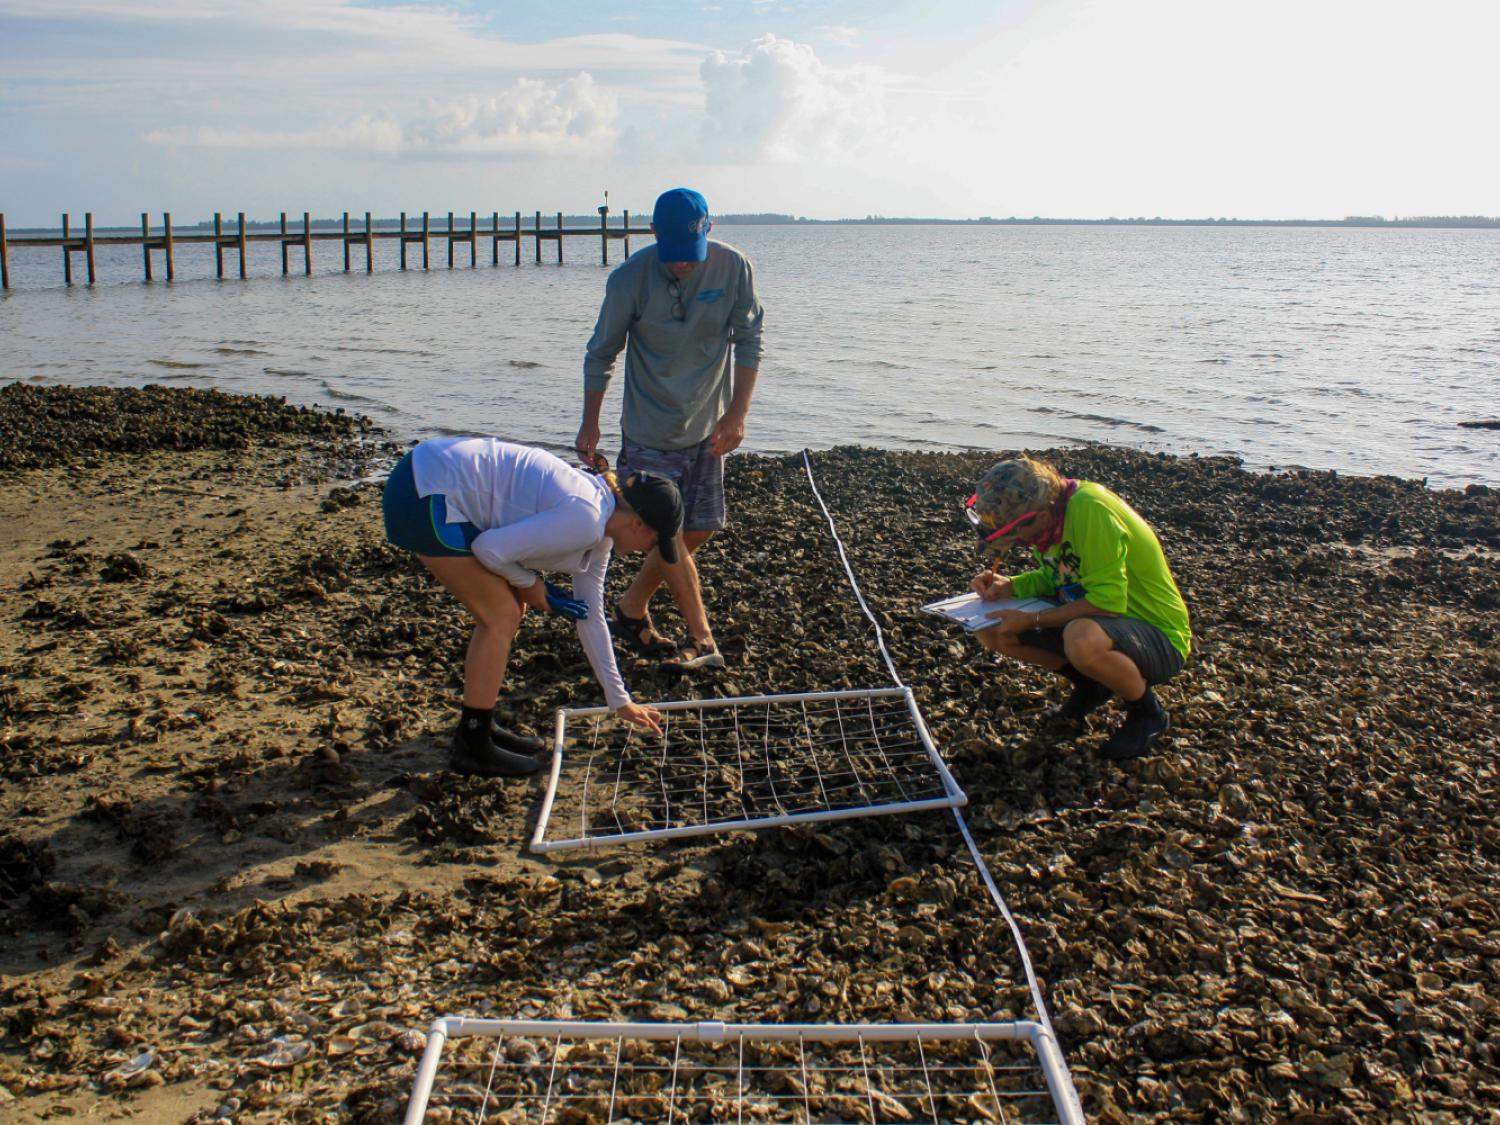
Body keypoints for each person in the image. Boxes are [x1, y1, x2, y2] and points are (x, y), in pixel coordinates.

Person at [382, 436, 680, 777]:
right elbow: (489, 550)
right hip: (424, 491)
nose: (647, 551)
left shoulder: (600, 527)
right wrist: (532, 585)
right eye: (653, 542)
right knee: (501, 616)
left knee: (507, 612)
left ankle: (480, 726)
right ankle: (473, 748)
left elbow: (592, 616)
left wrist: (620, 700)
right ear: (638, 523)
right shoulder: (586, 518)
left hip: (430, 474)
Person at [578, 186, 764, 671]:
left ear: (710, 229)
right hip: (648, 434)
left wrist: (737, 413)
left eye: (692, 254)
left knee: (696, 529)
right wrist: (590, 423)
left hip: (708, 430)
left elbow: (749, 340)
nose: (683, 265)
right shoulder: (628, 281)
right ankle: (704, 641)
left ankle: (630, 606)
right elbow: (601, 353)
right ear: (652, 232)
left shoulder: (733, 269)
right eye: (674, 256)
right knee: (668, 534)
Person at [966, 455, 1192, 760]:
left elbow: (1107, 601)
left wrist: (1032, 619)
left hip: (1156, 635)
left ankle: (1147, 713)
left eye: (1017, 535)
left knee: (1081, 637)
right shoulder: (1050, 517)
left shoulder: (1089, 510)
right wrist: (1011, 586)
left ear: (1041, 516)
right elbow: (1058, 575)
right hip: (1107, 622)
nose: (1019, 542)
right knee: (992, 628)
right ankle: (1092, 687)